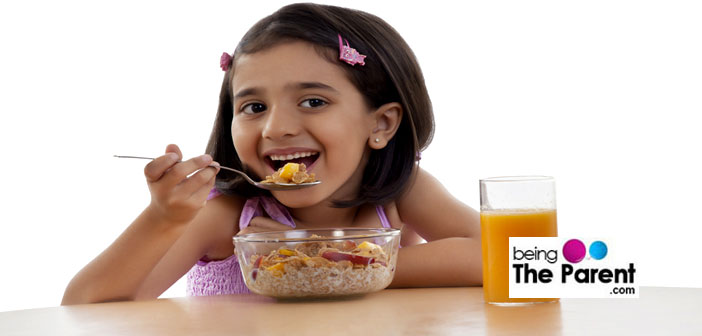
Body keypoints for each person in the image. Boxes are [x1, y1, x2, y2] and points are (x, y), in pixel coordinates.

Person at [61, 3, 481, 304]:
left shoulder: (401, 191)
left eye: (313, 101)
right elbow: (86, 307)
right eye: (254, 107)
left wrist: (314, 258)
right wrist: (162, 219)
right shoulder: (228, 215)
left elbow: (523, 262)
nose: (275, 127)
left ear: (381, 124)